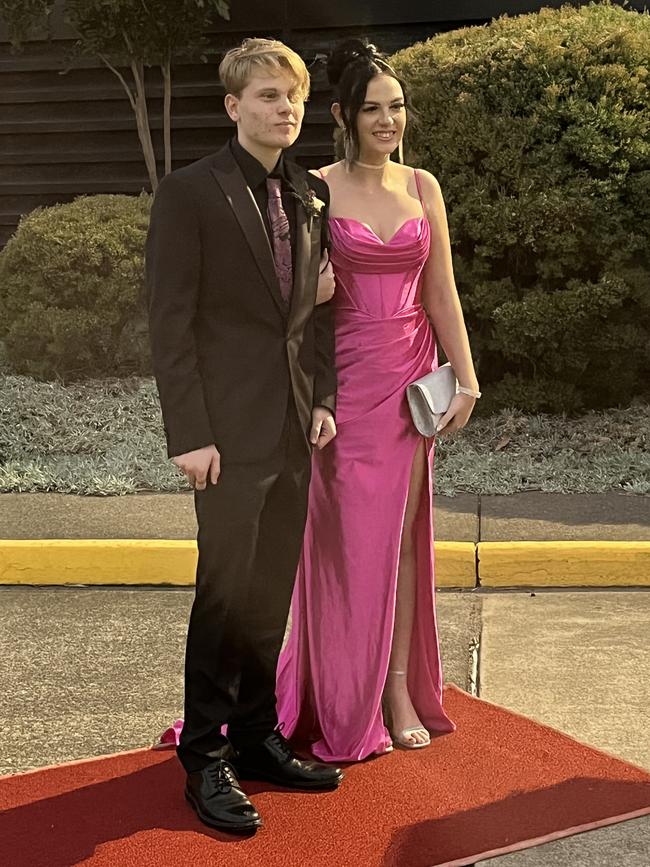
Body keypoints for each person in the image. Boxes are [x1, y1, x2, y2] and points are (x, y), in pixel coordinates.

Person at [146, 38, 342, 834]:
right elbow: (170, 323)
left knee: (270, 593)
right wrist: (189, 433)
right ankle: (206, 755)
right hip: (224, 436)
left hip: (295, 430)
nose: (283, 109)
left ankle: (259, 735)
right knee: (224, 596)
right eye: (266, 96)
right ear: (233, 107)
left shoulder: (308, 193)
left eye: (291, 96)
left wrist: (321, 396)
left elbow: (319, 309)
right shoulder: (191, 193)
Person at [276, 39, 480, 761]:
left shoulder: (424, 186)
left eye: (397, 107)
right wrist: (311, 296)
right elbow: (286, 298)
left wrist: (467, 373)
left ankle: (396, 688)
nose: (389, 121)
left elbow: (441, 288)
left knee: (401, 542)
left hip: (411, 385)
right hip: (346, 387)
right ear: (343, 115)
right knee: (346, 548)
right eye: (373, 110)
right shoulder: (315, 186)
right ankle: (341, 692)